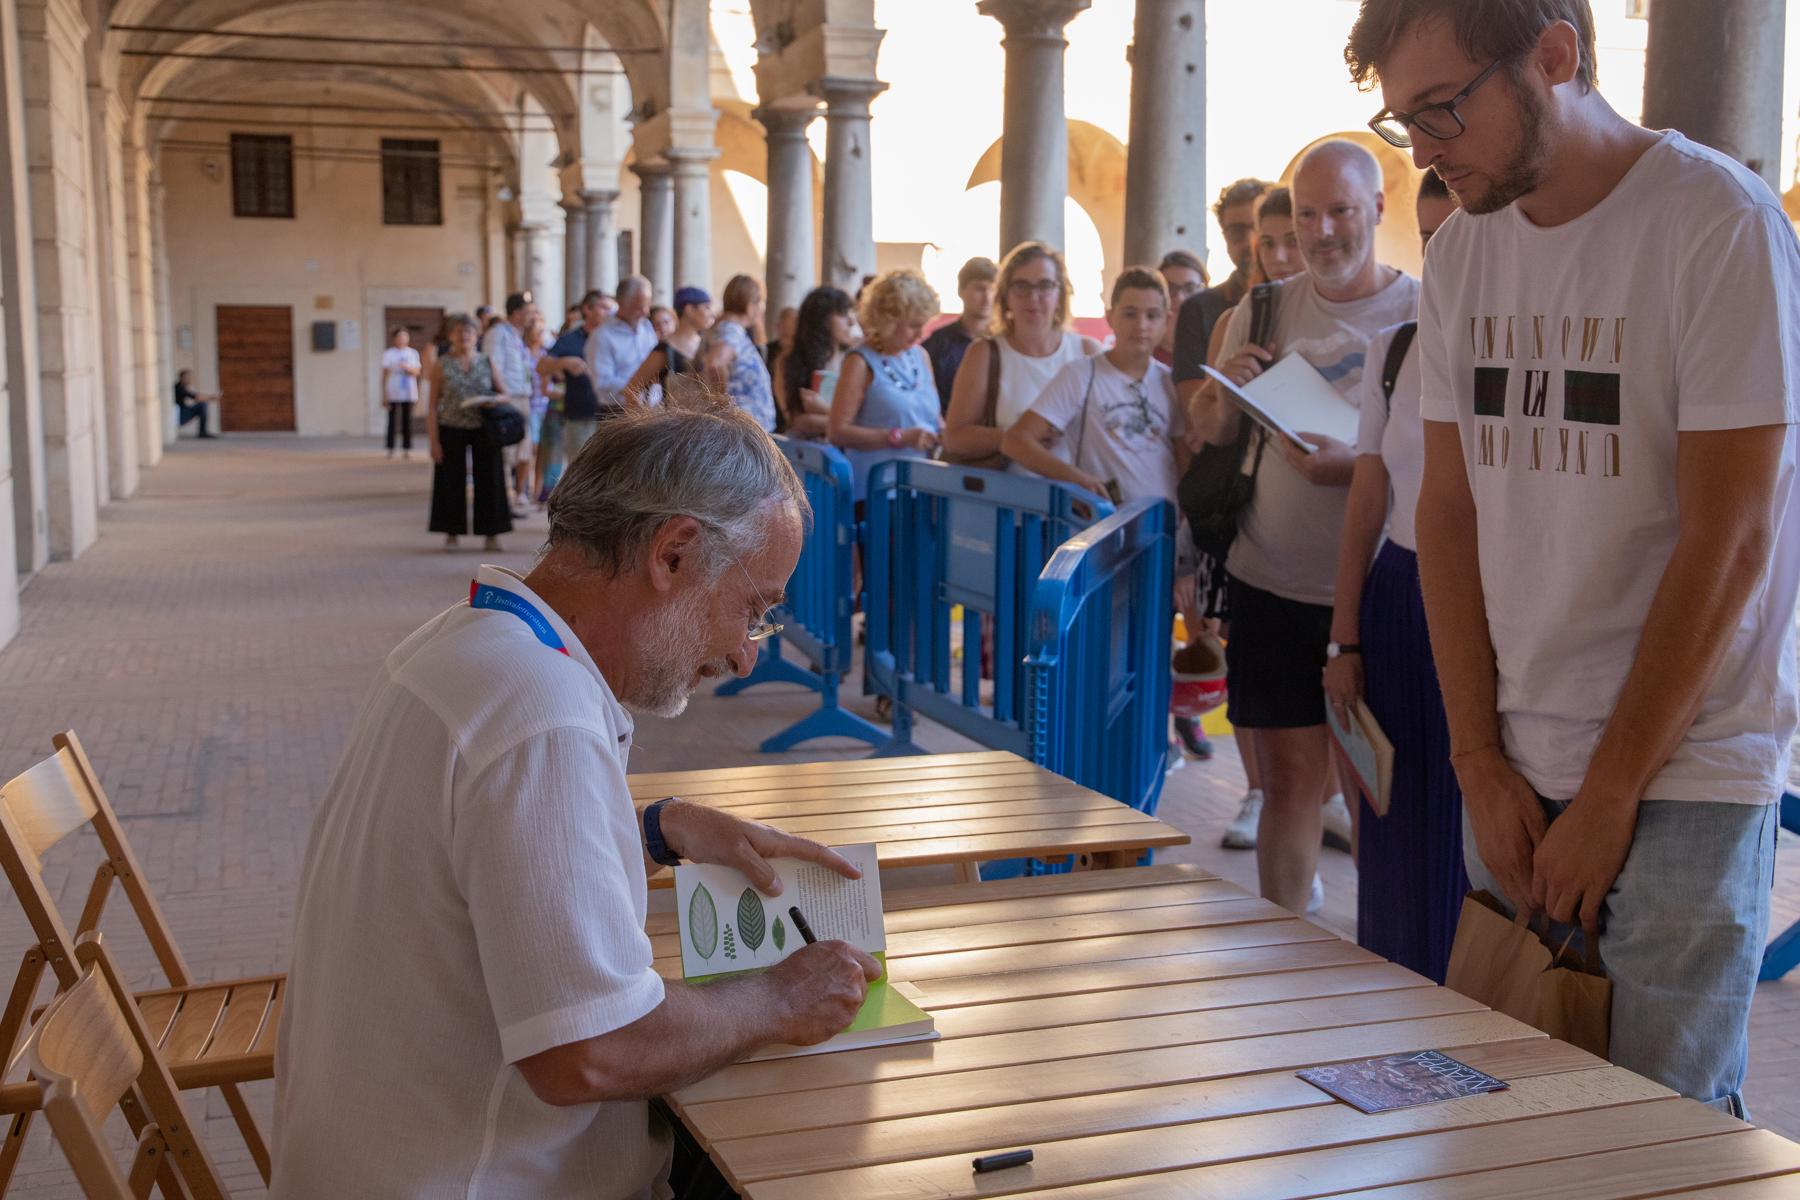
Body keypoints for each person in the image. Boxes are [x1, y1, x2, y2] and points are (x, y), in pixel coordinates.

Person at [1350, 0, 1800, 1115]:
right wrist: (1475, 758)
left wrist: (1610, 793)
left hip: (1685, 773)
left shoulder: (1717, 223)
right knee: (1510, 1119)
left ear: (1555, 56)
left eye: (1444, 109)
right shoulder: (1464, 250)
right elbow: (1445, 512)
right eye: (1403, 121)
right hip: (1512, 763)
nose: (1425, 150)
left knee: (1660, 1135)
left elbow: (1732, 536)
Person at [271, 403, 882, 1198]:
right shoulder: (541, 713)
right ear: (673, 552)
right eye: (753, 609)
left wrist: (656, 832)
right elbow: (591, 1051)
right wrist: (777, 997)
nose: (740, 653)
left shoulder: (465, 643)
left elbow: (477, 875)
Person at [1193, 140, 1418, 918]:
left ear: (1378, 210)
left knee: (1376, 790)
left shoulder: (1425, 312)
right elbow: (1216, 436)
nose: (1324, 231)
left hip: (1384, 592)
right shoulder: (1258, 312)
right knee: (1289, 781)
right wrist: (1227, 399)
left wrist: (1355, 466)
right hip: (1272, 582)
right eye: (1309, 213)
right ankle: (1287, 956)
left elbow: (1448, 467)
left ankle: (1383, 957)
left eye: (1342, 211)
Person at [1322, 170, 1465, 983]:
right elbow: (1368, 498)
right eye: (1434, 240)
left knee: (1469, 828)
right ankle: (1395, 999)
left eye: (1466, 235)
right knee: (1393, 820)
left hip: (1488, 607)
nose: (1450, 257)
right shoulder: (1396, 349)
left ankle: (1468, 1015)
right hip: (1400, 602)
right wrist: (1343, 638)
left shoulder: (1518, 347)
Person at [1003, 267, 1188, 505]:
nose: (1141, 325)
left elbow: (1182, 456)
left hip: (1162, 527)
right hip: (1103, 526)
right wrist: (1078, 480)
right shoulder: (1081, 375)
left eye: (1152, 315)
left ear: (1167, 320)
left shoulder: (1170, 382)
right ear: (1110, 317)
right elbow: (1016, 441)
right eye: (1130, 314)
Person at [943, 242, 1100, 468]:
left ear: (1061, 294)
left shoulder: (1087, 352)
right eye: (1021, 286)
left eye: (1045, 285)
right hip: (1006, 497)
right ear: (1006, 296)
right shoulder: (985, 354)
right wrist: (1017, 438)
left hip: (1076, 498)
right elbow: (954, 439)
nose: (1033, 297)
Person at [827, 270, 942, 503]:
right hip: (877, 494)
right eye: (912, 326)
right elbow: (837, 431)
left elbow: (934, 416)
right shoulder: (859, 362)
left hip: (922, 487)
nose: (920, 334)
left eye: (923, 324)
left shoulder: (921, 356)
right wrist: (899, 437)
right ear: (888, 321)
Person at [1170, 178, 1273, 387]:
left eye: (1256, 228)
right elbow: (1195, 409)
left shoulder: (1304, 296)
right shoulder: (1199, 309)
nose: (1248, 241)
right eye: (1236, 231)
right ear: (1223, 235)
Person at [424, 313, 512, 552]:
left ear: (477, 336)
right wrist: (434, 442)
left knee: (490, 479)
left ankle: (492, 533)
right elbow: (432, 406)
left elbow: (505, 393)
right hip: (451, 426)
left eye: (469, 332)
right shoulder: (442, 364)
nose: (464, 336)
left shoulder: (486, 361)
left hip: (483, 426)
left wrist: (492, 400)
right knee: (450, 479)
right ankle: (451, 531)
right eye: (458, 332)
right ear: (450, 335)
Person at [537, 289, 607, 502]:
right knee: (582, 470)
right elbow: (542, 366)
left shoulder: (613, 337)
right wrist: (564, 362)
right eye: (603, 307)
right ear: (588, 309)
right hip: (580, 415)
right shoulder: (572, 339)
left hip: (613, 413)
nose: (609, 311)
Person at [582, 274, 660, 455]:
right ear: (622, 304)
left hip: (650, 409)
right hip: (617, 412)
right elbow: (602, 382)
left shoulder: (645, 326)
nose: (646, 312)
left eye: (647, 305)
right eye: (639, 307)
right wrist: (636, 385)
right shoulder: (602, 336)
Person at [780, 286, 861, 440]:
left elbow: (863, 423)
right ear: (822, 319)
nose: (851, 321)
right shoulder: (789, 361)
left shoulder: (857, 358)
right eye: (843, 314)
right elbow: (798, 421)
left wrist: (822, 409)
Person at [920, 256, 998, 412]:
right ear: (961, 290)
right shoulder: (937, 344)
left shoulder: (1007, 342)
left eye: (993, 289)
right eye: (980, 288)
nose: (987, 298)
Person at [623, 286, 715, 407]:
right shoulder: (665, 350)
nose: (711, 314)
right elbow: (631, 390)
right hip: (678, 424)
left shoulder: (708, 345)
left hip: (708, 423)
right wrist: (646, 422)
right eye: (707, 307)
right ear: (689, 310)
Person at [710, 275, 778, 432]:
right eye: (760, 302)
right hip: (740, 431)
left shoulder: (723, 328)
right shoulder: (731, 330)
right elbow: (715, 363)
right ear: (749, 304)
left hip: (742, 430)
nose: (762, 308)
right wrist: (721, 407)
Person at [1154, 250, 1208, 367]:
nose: (1179, 298)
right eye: (1170, 288)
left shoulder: (1217, 354)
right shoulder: (1140, 355)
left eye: (1190, 288)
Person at [381, 327, 422, 459]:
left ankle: (407, 448)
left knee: (407, 420)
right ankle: (390, 448)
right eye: (399, 337)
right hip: (393, 390)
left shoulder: (413, 353)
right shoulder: (389, 354)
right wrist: (384, 394)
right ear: (394, 339)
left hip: (408, 391)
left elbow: (418, 371)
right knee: (392, 420)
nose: (402, 339)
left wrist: (409, 369)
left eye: (405, 336)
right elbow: (384, 374)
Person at [172, 369, 218, 439]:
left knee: (202, 405)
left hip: (181, 412)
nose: (190, 379)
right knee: (202, 405)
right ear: (183, 378)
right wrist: (212, 397)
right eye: (189, 377)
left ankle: (202, 431)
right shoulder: (178, 388)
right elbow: (197, 397)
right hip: (179, 416)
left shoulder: (181, 387)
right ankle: (202, 432)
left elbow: (195, 396)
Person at [764, 304, 797, 371]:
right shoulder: (765, 351)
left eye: (791, 326)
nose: (787, 330)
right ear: (777, 326)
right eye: (784, 325)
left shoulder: (802, 355)